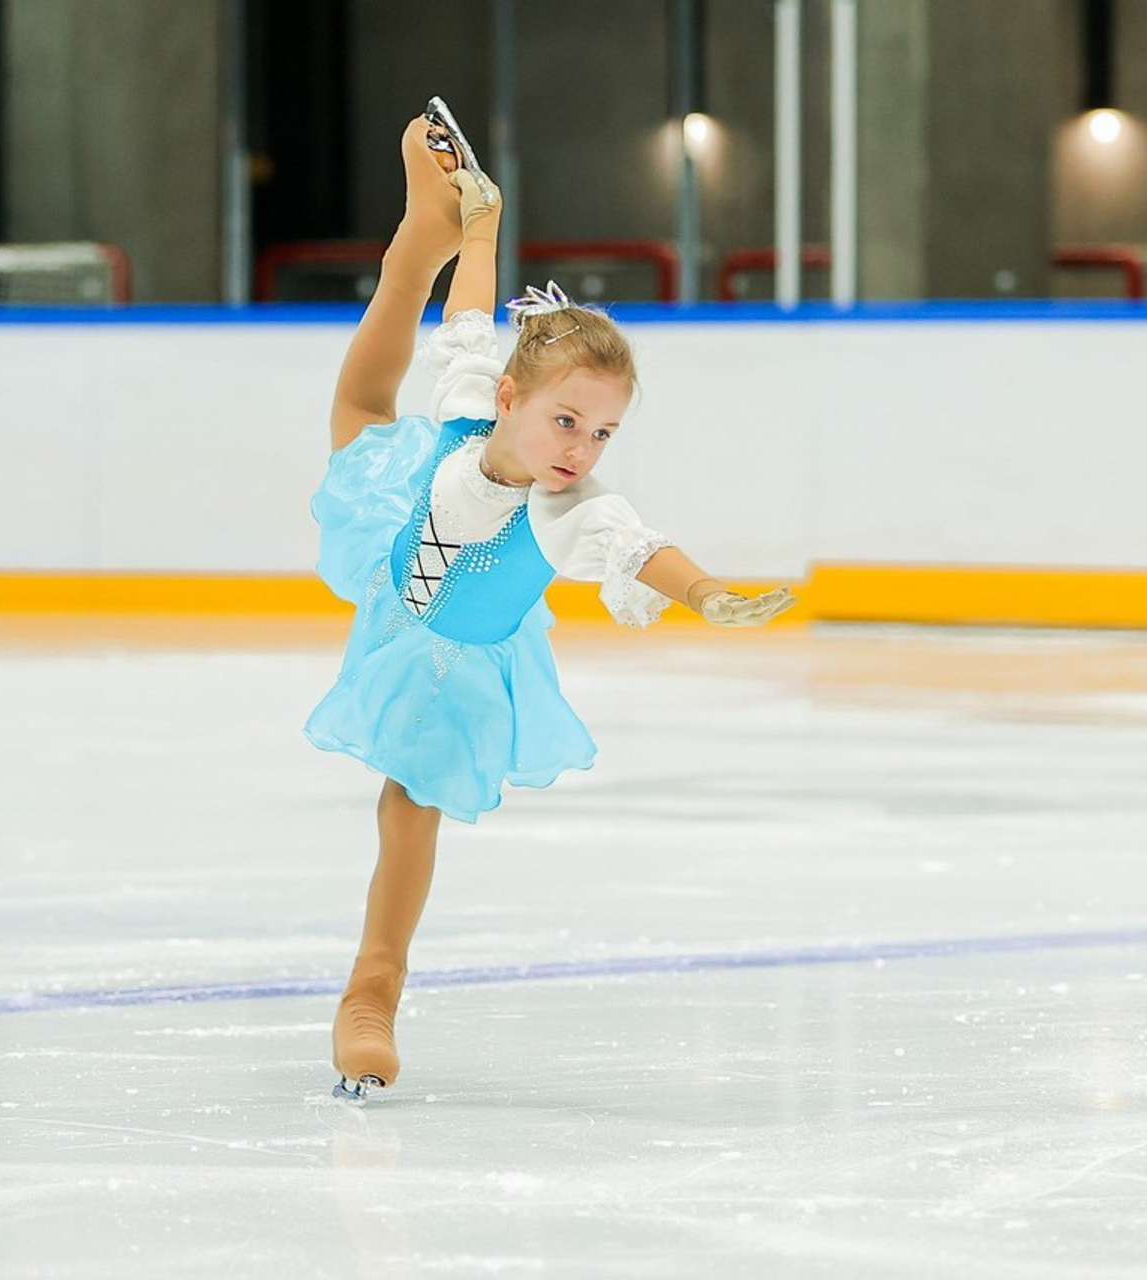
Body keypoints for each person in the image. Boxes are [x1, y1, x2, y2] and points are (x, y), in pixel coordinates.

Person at [305, 100, 795, 1101]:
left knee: (412, 799)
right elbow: (473, 321)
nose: (581, 447)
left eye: (602, 432)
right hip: (400, 546)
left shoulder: (566, 509)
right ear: (510, 400)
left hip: (451, 655)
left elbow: (640, 546)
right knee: (361, 404)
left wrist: (705, 591)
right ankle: (417, 245)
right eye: (567, 420)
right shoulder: (471, 404)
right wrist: (477, 231)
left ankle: (372, 991)